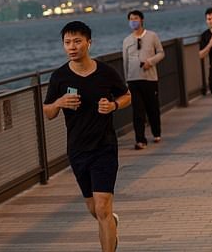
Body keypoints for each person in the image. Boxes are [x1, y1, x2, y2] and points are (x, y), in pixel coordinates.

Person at [43, 21, 131, 252]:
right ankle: (111, 224)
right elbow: (48, 112)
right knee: (95, 209)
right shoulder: (59, 77)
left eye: (77, 41)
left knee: (102, 207)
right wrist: (60, 102)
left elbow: (126, 96)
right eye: (67, 42)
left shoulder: (105, 72)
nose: (72, 47)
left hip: (105, 147)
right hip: (77, 149)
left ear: (89, 43)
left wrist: (113, 105)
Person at [122, 10, 165, 149]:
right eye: (131, 19)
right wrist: (126, 80)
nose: (133, 21)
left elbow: (161, 53)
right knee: (137, 111)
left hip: (150, 79)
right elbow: (125, 61)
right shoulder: (127, 40)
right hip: (133, 80)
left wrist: (150, 62)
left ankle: (156, 132)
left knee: (152, 108)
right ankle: (140, 140)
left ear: (142, 20)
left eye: (135, 18)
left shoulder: (152, 36)